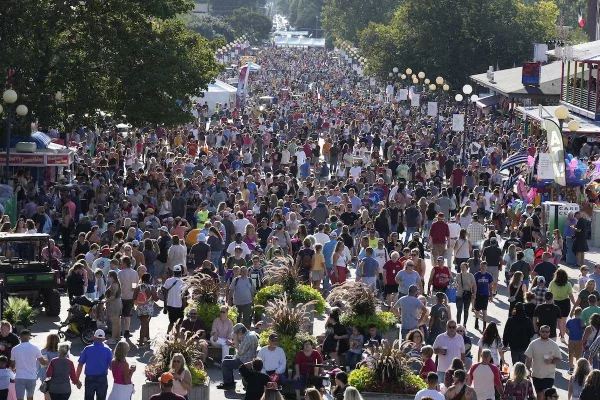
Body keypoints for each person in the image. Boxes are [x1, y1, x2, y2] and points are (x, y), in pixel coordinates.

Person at [524, 325, 562, 400]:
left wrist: (551, 361)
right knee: (539, 395)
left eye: (547, 332)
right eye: (543, 331)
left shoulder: (554, 345)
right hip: (536, 374)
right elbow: (528, 359)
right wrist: (527, 372)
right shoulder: (533, 344)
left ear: (549, 333)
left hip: (549, 375)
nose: (545, 333)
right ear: (539, 332)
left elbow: (559, 359)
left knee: (547, 395)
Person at [217, 323, 258, 390]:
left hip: (245, 361)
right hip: (245, 357)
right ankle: (230, 382)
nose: (234, 335)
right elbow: (241, 349)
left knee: (225, 363)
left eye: (235, 334)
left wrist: (235, 340)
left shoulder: (248, 338)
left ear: (240, 332)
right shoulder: (248, 335)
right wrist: (234, 344)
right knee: (226, 358)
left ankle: (229, 384)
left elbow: (240, 352)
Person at [76, 329, 113, 400]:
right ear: (104, 339)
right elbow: (112, 367)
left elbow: (80, 365)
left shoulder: (87, 349)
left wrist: (76, 379)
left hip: (89, 378)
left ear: (94, 337)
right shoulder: (108, 350)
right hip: (102, 378)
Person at [11, 329, 48, 400]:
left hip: (19, 377)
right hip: (31, 377)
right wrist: (50, 361)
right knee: (30, 397)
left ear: (20, 337)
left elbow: (12, 366)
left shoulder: (14, 349)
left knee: (19, 398)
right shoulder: (35, 348)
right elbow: (43, 362)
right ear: (29, 337)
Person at [548, 268, 575, 340]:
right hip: (565, 303)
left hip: (555, 303)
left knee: (556, 321)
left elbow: (549, 293)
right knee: (563, 321)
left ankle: (558, 333)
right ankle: (562, 336)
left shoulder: (552, 283)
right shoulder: (568, 284)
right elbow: (571, 295)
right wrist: (575, 304)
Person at [133, 272, 158, 347]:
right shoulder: (151, 287)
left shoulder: (138, 287)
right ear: (149, 279)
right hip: (148, 309)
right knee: (144, 325)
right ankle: (141, 341)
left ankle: (147, 338)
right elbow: (156, 299)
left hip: (140, 308)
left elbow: (134, 297)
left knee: (145, 324)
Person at [117, 255, 138, 340]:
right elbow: (135, 284)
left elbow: (118, 285)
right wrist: (132, 290)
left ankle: (119, 331)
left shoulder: (120, 273)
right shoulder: (134, 273)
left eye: (121, 262)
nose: (120, 264)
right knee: (127, 315)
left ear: (124, 263)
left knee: (118, 315)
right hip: (130, 296)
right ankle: (127, 331)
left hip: (121, 296)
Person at [164, 265, 185, 332]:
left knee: (171, 323)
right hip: (179, 306)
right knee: (179, 324)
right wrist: (184, 306)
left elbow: (165, 294)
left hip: (170, 305)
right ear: (181, 272)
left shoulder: (168, 281)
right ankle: (176, 338)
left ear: (173, 272)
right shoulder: (182, 282)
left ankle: (167, 336)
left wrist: (165, 307)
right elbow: (184, 296)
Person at [473, 261, 493, 331]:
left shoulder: (489, 275)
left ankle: (484, 326)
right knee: (477, 309)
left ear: (486, 267)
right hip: (478, 294)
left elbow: (490, 286)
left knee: (484, 310)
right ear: (480, 266)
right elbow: (474, 285)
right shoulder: (476, 275)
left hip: (485, 295)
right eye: (482, 266)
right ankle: (476, 321)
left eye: (485, 266)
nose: (483, 268)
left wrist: (491, 295)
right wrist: (474, 293)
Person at [566, 308, 585, 373]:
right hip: (579, 339)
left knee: (571, 353)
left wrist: (569, 334)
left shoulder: (569, 321)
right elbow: (584, 328)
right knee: (578, 355)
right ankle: (578, 369)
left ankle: (571, 368)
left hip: (571, 339)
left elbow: (566, 330)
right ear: (581, 314)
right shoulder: (581, 321)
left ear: (574, 313)